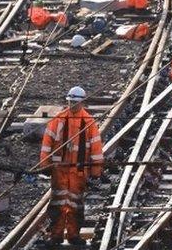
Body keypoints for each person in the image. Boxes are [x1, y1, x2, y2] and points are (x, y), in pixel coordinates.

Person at [39, 86, 104, 246]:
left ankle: (73, 235)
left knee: (75, 205)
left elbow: (96, 148)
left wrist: (96, 170)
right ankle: (56, 235)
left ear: (81, 102)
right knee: (58, 204)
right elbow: (47, 143)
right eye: (70, 102)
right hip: (60, 170)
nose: (72, 105)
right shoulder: (58, 120)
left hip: (78, 171)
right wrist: (45, 165)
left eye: (74, 102)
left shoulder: (88, 122)